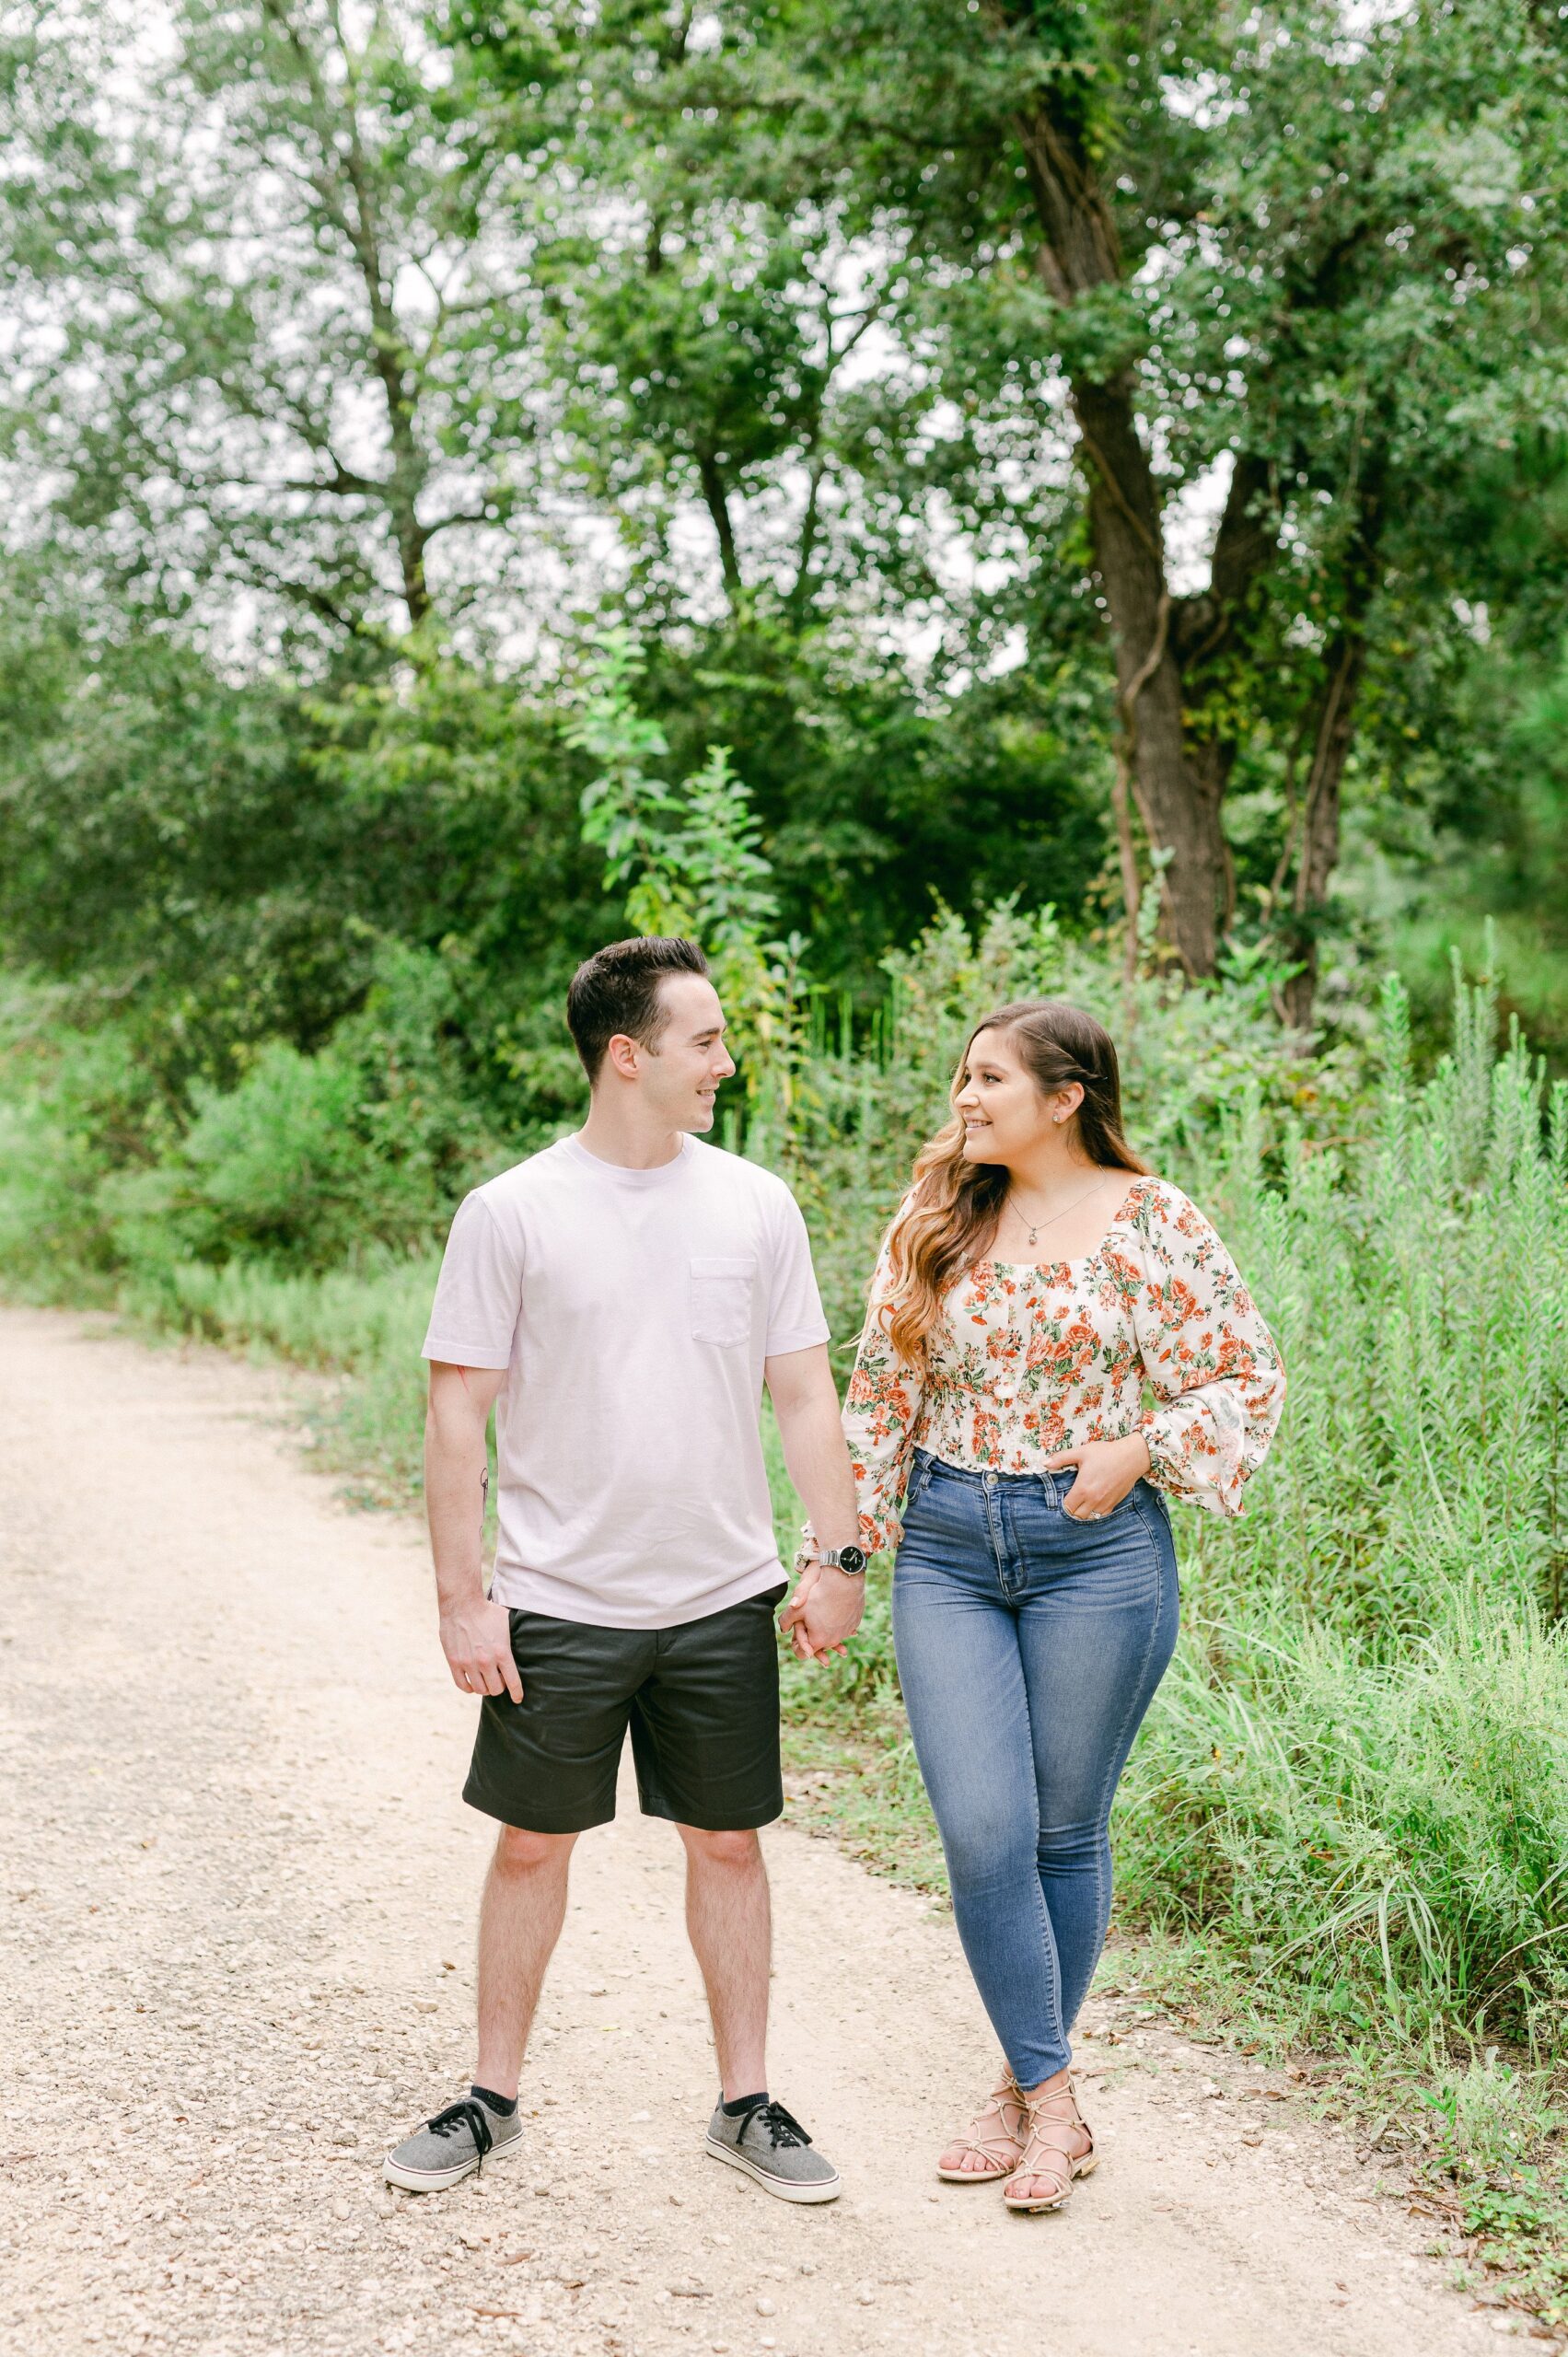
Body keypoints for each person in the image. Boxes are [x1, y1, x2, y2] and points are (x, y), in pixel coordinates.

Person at [385, 936, 867, 2201]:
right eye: (704, 1041)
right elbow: (455, 1416)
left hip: (720, 1597)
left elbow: (806, 1393)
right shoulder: (512, 1213)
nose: (725, 1060)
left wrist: (842, 1552)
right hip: (559, 1604)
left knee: (730, 1846)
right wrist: (460, 1599)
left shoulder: (756, 1204)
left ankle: (747, 2101)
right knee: (533, 1849)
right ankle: (492, 2098)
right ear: (627, 1054)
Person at [807, 997, 1285, 2214]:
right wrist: (843, 1558)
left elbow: (1244, 1374)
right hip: (954, 1550)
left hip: (1099, 1554)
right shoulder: (935, 1217)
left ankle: (1021, 2091)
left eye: (990, 1082)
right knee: (981, 1829)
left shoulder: (1152, 1219)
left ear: (1065, 1098)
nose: (964, 1101)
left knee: (1066, 1832)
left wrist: (1140, 1447)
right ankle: (1056, 2094)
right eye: (962, 1080)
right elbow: (877, 1398)